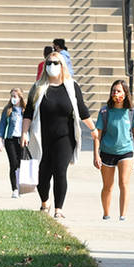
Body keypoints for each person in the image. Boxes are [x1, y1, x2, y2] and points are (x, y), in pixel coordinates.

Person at [23, 50, 94, 219]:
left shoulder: (71, 86)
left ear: (62, 66)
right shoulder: (38, 87)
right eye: (49, 63)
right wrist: (24, 133)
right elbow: (29, 112)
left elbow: (82, 109)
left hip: (65, 137)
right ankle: (45, 202)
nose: (52, 66)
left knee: (60, 171)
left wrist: (93, 129)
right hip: (42, 137)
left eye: (55, 63)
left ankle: (58, 209)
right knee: (43, 174)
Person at [93, 80, 134, 220]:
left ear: (125, 93)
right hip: (107, 151)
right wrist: (96, 155)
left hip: (125, 151)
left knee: (124, 184)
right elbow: (97, 135)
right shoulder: (105, 112)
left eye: (119, 91)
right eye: (113, 91)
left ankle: (122, 216)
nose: (116, 93)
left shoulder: (132, 112)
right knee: (108, 186)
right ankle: (106, 214)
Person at [0, 88, 28, 199]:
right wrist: (0, 140)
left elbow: (31, 125)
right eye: (11, 96)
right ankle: (14, 189)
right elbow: (2, 125)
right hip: (10, 140)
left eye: (15, 96)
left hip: (22, 140)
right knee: (13, 164)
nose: (13, 98)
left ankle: (21, 186)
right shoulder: (8, 110)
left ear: (20, 97)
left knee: (21, 164)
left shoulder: (25, 110)